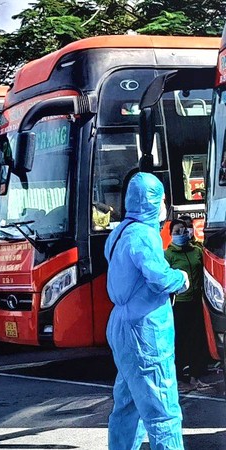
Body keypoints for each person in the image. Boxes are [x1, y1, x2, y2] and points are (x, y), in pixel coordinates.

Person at [104, 173, 190, 450]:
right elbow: (158, 276)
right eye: (163, 199)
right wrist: (181, 279)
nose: (165, 205)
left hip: (121, 325)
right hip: (145, 328)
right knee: (162, 407)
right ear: (153, 201)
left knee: (127, 402)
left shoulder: (120, 231)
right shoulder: (144, 235)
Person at [164, 218, 210, 391]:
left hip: (197, 302)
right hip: (179, 304)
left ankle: (195, 377)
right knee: (180, 341)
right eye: (177, 232)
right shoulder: (168, 256)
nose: (181, 234)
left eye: (183, 231)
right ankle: (179, 379)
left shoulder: (197, 251)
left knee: (197, 340)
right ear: (171, 235)